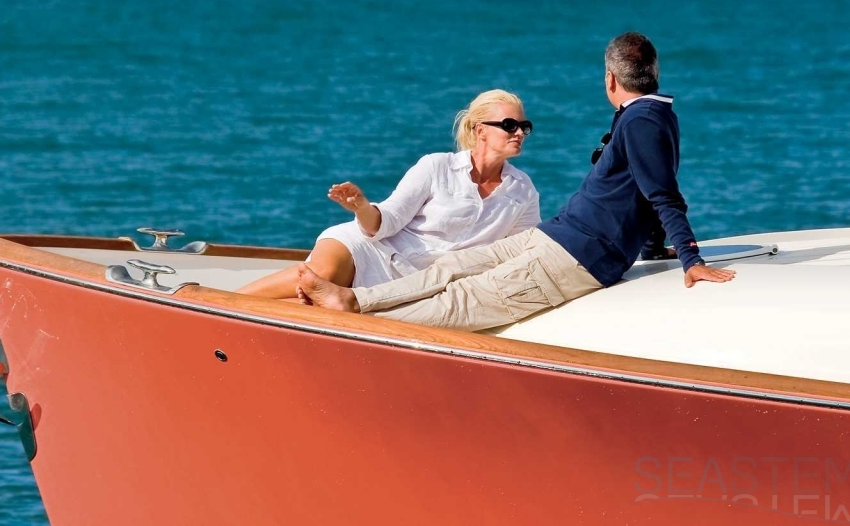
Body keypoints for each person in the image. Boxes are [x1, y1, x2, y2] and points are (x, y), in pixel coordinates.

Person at [296, 32, 736, 331]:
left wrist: (691, 259)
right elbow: (642, 188)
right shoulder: (648, 116)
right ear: (653, 74)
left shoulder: (642, 121)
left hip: (577, 257)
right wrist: (653, 247)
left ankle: (349, 318)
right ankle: (355, 300)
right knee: (452, 268)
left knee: (465, 300)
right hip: (558, 236)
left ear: (610, 78)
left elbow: (661, 192)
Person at [237, 89, 542, 299]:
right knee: (322, 273)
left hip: (418, 285)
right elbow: (388, 219)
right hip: (371, 247)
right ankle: (221, 305)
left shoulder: (523, 190)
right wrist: (361, 207)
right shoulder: (437, 166)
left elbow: (522, 251)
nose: (519, 133)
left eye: (523, 126)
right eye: (509, 125)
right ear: (480, 130)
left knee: (307, 303)